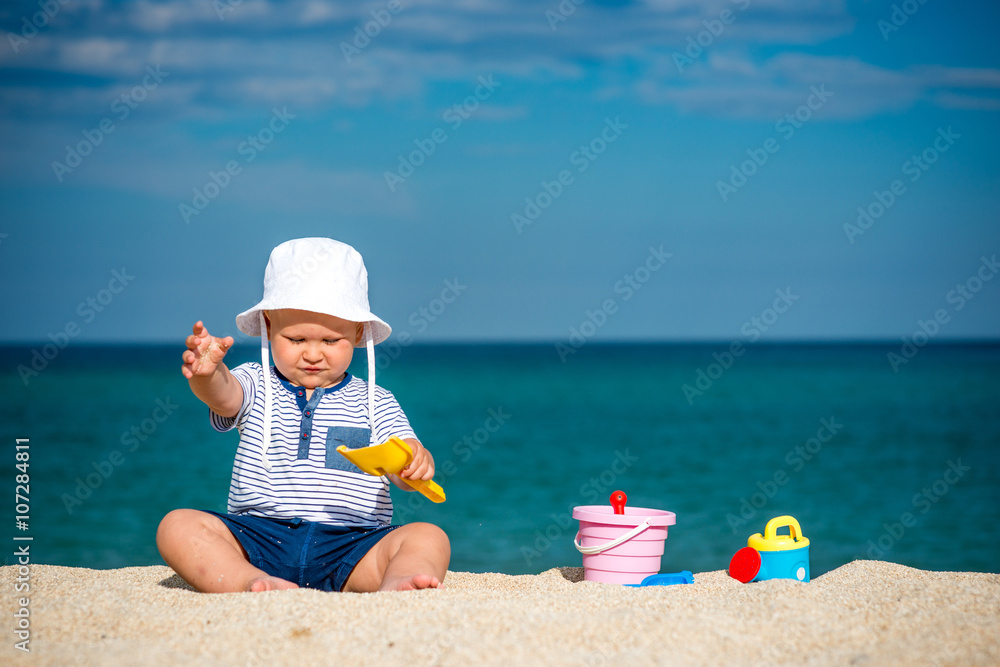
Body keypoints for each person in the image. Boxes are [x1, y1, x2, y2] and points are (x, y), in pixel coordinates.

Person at [156, 238, 450, 593]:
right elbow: (225, 397)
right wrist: (208, 375)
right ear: (268, 326)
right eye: (295, 340)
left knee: (428, 536)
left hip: (351, 546)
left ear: (357, 333)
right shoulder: (256, 380)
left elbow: (403, 462)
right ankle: (249, 580)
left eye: (330, 341)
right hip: (257, 538)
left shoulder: (376, 401)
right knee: (176, 525)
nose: (313, 354)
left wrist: (415, 462)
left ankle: (398, 582)